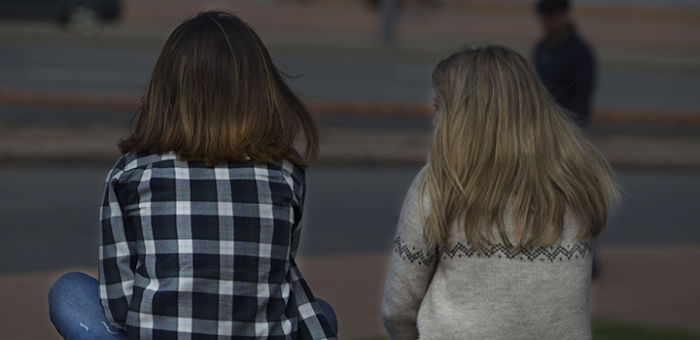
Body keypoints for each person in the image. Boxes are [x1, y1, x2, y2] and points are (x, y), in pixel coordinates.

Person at [48, 11, 338, 340]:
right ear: (261, 90)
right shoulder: (287, 172)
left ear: (165, 89)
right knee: (321, 312)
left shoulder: (131, 172)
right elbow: (275, 275)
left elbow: (119, 306)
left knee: (68, 290)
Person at [381, 44, 616, 339]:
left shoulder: (438, 185)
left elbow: (399, 309)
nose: (434, 121)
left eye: (440, 108)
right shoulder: (576, 181)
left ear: (467, 117)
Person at [532, 0, 595, 129]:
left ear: (565, 14)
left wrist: (570, 129)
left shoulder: (580, 51)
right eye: (544, 16)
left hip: (569, 126)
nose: (548, 21)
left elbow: (582, 98)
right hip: (542, 123)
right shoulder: (540, 48)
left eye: (552, 15)